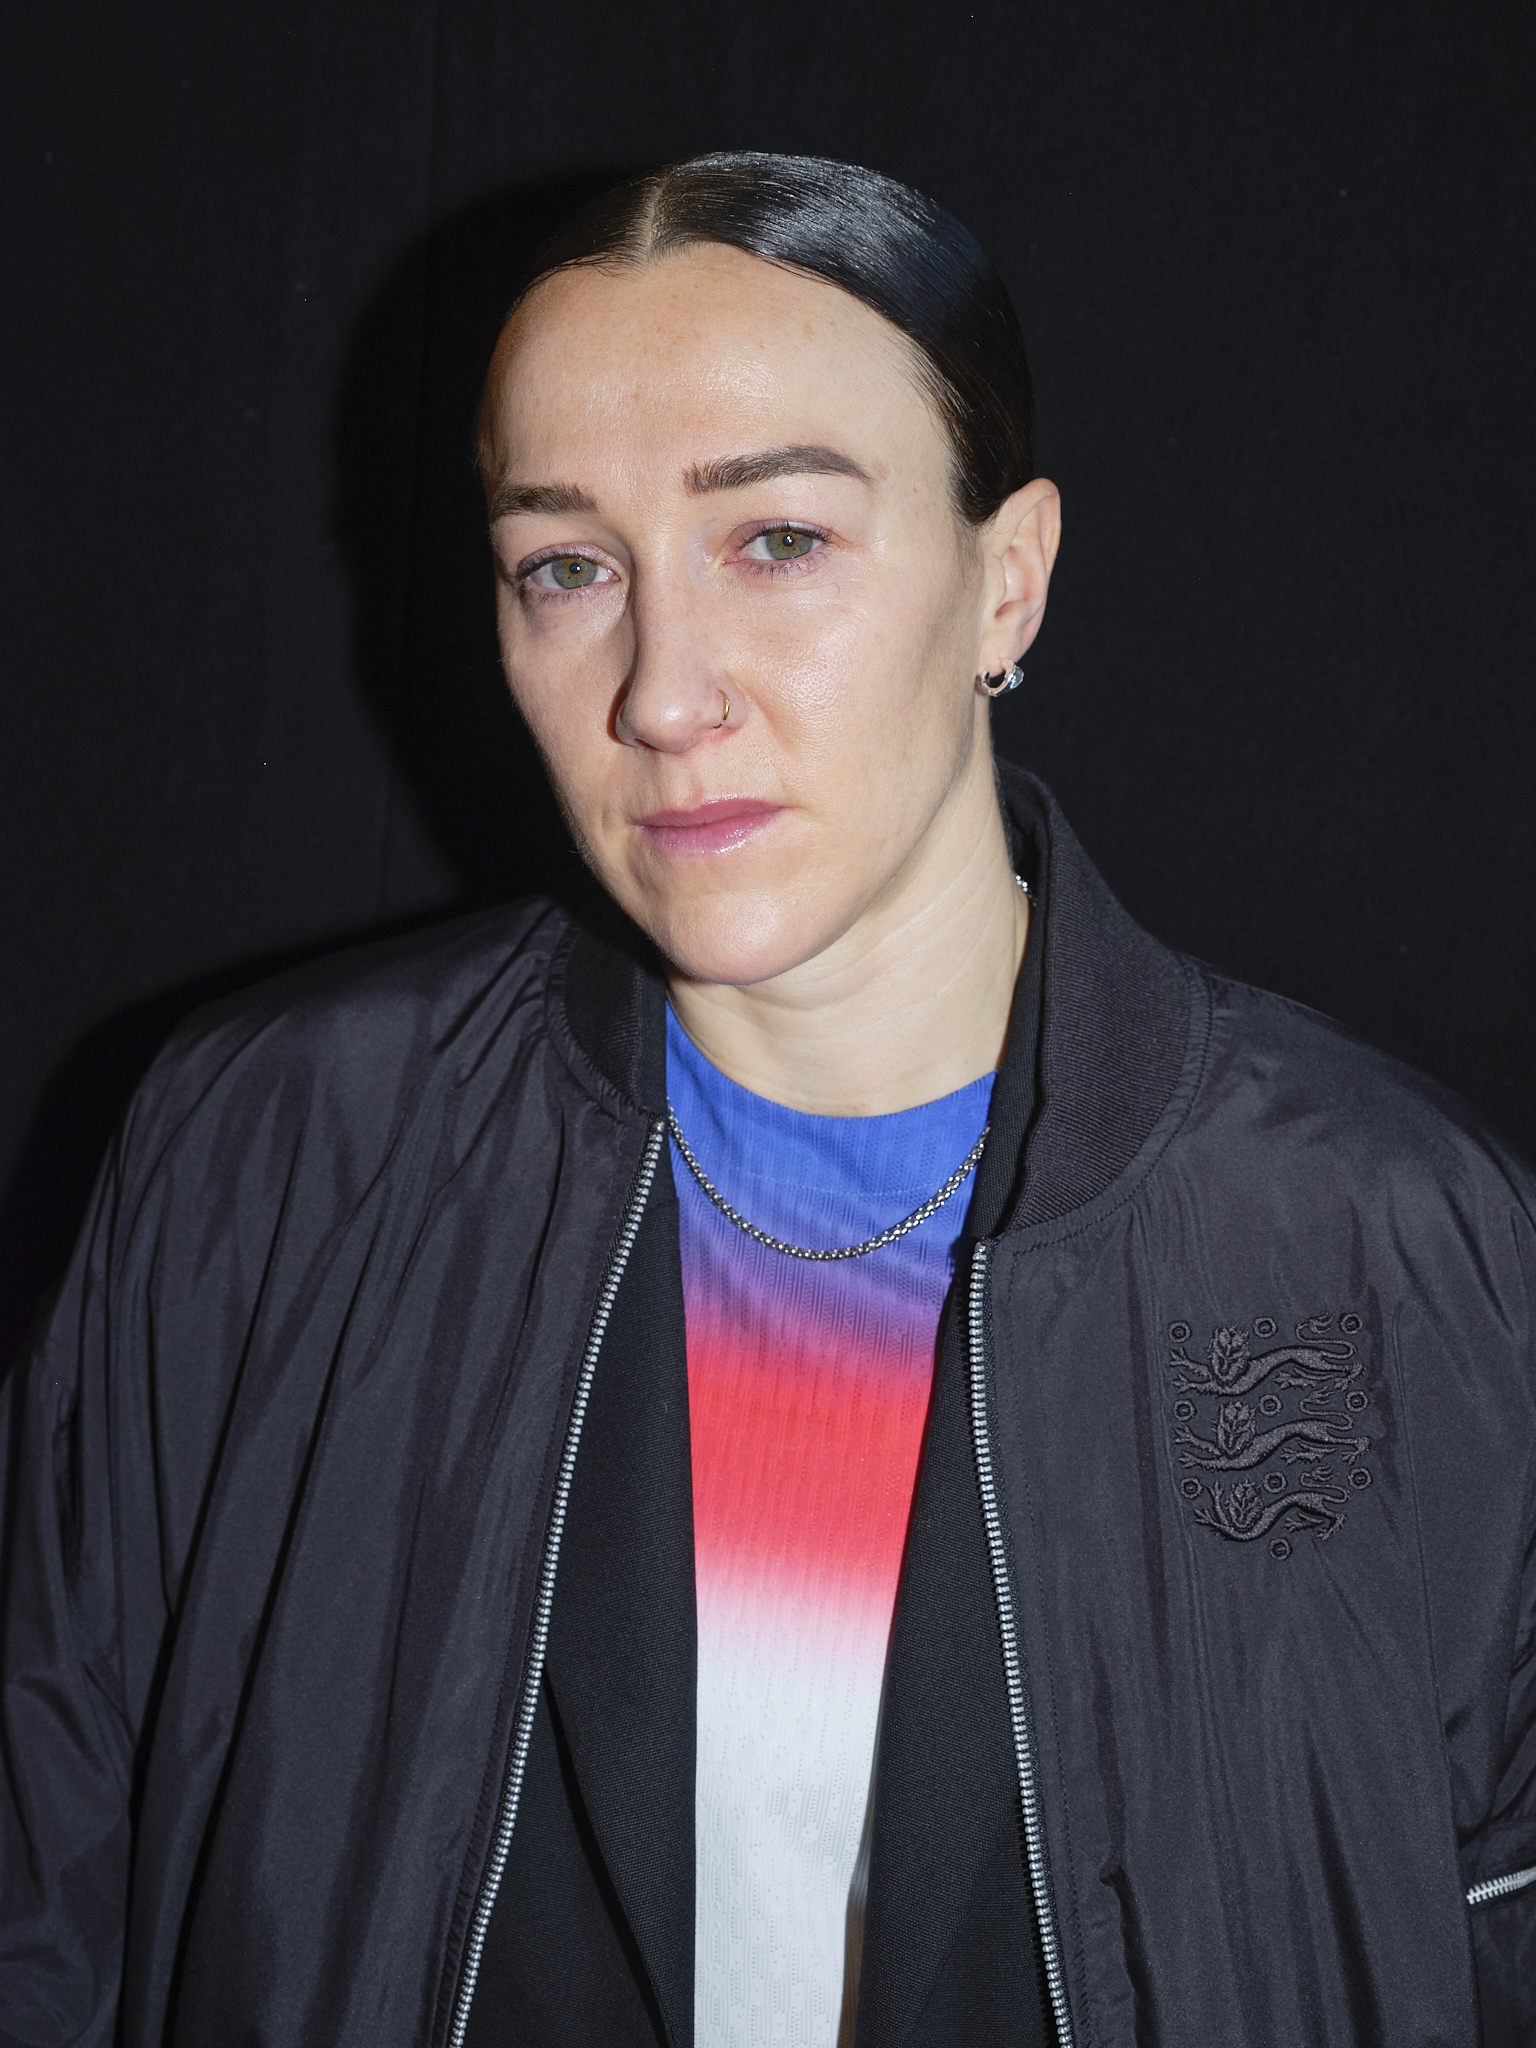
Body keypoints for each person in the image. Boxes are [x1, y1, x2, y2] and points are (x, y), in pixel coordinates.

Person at [1, 151, 1533, 2048]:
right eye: (568, 568)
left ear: (1006, 578)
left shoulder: (1399, 1245)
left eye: (778, 540)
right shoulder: (264, 1157)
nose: (663, 692)